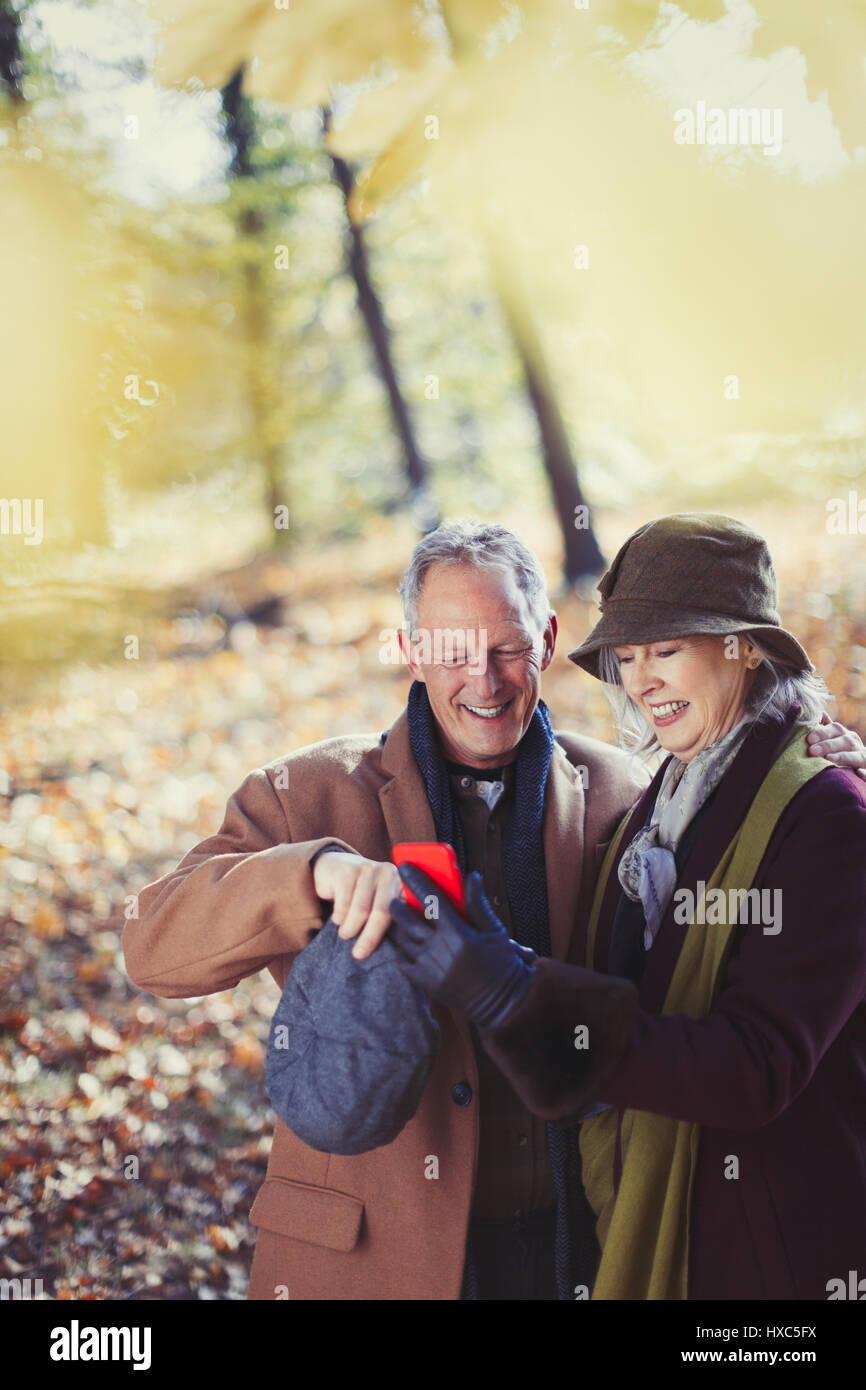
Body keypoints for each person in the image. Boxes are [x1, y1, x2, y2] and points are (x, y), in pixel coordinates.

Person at [388, 513, 866, 1301]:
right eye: (630, 655)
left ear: (745, 649)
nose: (642, 681)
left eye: (669, 649)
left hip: (775, 1261)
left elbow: (755, 1066)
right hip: (654, 1228)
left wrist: (514, 994)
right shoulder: (662, 801)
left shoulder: (825, 814)